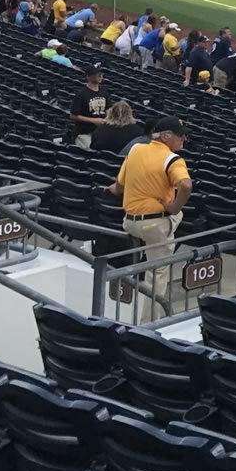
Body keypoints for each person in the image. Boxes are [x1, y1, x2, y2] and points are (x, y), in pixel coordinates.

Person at [105, 116, 192, 309]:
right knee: (158, 271)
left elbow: (118, 187)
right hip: (153, 225)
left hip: (129, 221)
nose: (183, 140)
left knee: (174, 218)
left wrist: (109, 189)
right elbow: (186, 185)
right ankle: (149, 323)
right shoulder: (173, 159)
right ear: (167, 136)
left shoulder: (136, 149)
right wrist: (174, 207)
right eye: (180, 136)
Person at [68, 66, 109, 148]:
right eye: (98, 75)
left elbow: (108, 108)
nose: (100, 77)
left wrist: (108, 118)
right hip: (84, 133)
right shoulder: (81, 94)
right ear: (88, 77)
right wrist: (93, 120)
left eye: (101, 74)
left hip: (100, 132)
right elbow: (73, 115)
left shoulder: (104, 91)